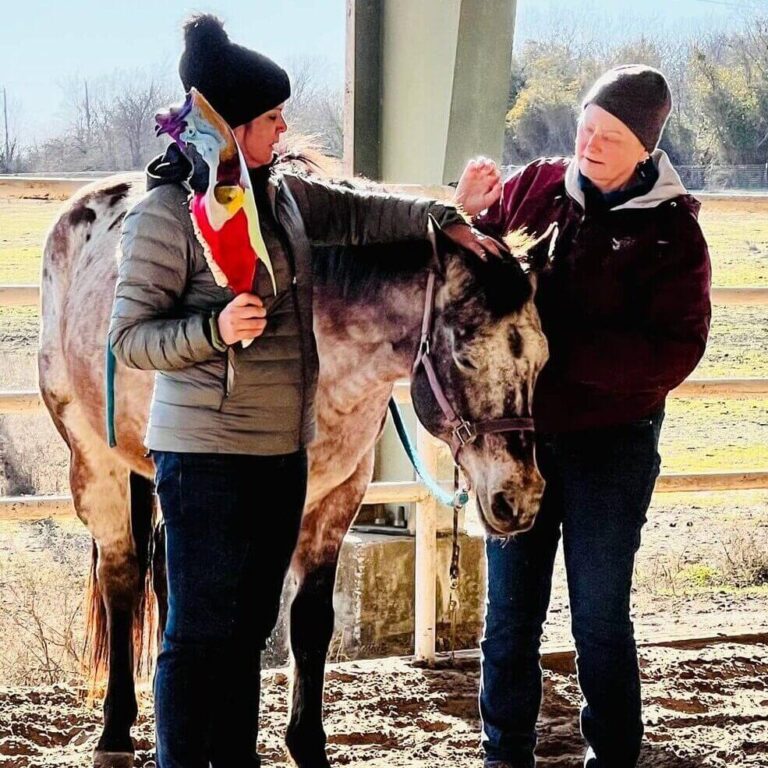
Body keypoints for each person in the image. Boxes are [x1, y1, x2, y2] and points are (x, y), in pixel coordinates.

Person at [108, 13, 501, 768]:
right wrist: (214, 329)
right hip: (206, 457)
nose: (284, 129)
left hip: (281, 454)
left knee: (253, 628)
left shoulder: (281, 195)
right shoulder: (168, 213)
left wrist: (446, 217)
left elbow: (359, 210)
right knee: (196, 635)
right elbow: (130, 339)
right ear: (227, 123)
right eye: (271, 118)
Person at [455, 65, 712, 768]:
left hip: (613, 446)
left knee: (599, 616)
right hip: (521, 441)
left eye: (610, 135)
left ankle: (615, 755)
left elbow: (677, 350)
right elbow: (468, 269)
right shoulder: (535, 186)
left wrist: (557, 353)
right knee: (509, 616)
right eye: (587, 128)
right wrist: (469, 214)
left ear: (645, 146)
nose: (590, 144)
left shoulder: (673, 236)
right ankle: (503, 755)